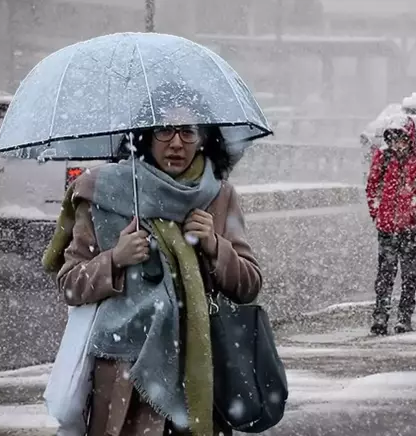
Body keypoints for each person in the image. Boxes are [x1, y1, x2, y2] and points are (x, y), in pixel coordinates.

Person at [42, 83, 262, 436]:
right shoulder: (103, 191)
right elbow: (70, 284)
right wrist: (115, 258)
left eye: (188, 131)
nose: (176, 142)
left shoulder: (218, 196)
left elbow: (249, 285)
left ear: (203, 137)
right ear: (144, 135)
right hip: (123, 378)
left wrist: (214, 245)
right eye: (163, 129)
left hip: (198, 374)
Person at [365, 114, 416, 335]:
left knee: (408, 272)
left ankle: (404, 316)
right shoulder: (383, 159)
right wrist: (377, 211)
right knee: (385, 273)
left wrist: (413, 210)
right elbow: (372, 187)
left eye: (401, 138)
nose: (397, 144)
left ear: (409, 138)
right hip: (386, 226)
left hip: (410, 228)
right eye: (393, 139)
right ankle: (381, 315)